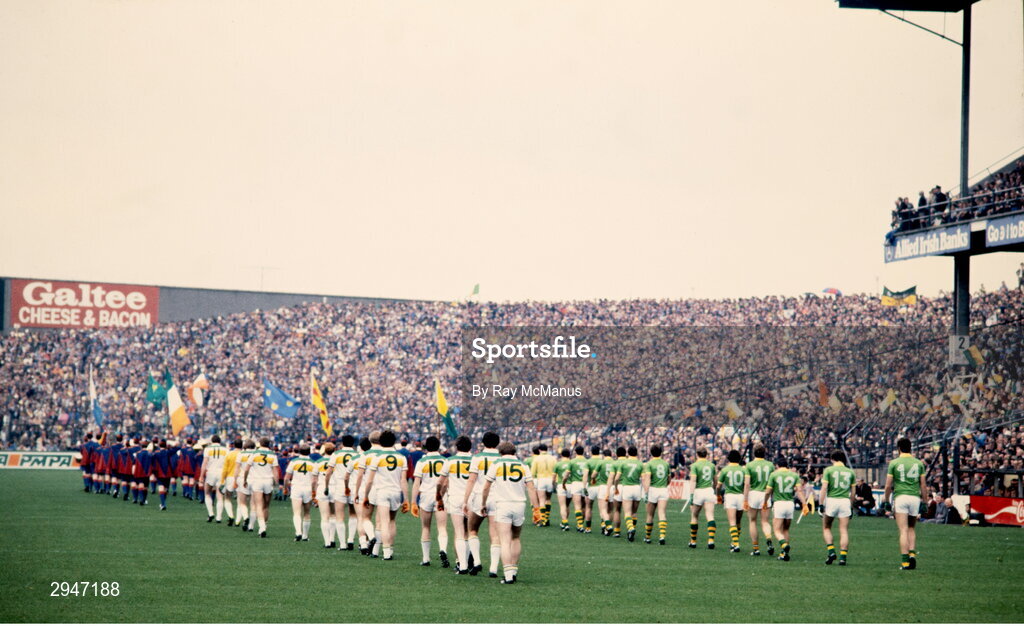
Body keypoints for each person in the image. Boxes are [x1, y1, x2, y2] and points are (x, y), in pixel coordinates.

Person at [480, 441, 541, 585]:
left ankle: (507, 576)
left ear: (500, 452)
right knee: (516, 538)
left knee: (504, 540)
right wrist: (536, 509)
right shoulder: (523, 465)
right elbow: (531, 488)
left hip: (503, 504)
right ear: (515, 452)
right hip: (519, 504)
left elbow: (486, 487)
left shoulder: (496, 465)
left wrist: (483, 504)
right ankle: (513, 571)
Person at [361, 430, 408, 561]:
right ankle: (385, 550)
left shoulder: (377, 458)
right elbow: (403, 480)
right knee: (392, 521)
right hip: (396, 492)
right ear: (394, 442)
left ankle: (386, 552)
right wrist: (406, 500)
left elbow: (369, 480)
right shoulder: (401, 458)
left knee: (383, 522)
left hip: (382, 492)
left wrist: (365, 495)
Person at [883, 437, 927, 570]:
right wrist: (925, 501)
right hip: (914, 498)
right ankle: (912, 554)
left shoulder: (894, 463)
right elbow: (923, 485)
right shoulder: (918, 463)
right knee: (912, 528)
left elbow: (888, 486)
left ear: (898, 448)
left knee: (903, 530)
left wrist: (886, 501)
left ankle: (905, 562)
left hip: (901, 497)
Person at [463, 431, 502, 576]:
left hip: (480, 496)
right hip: (497, 497)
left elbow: (471, 480)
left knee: (472, 529)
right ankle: (493, 568)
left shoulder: (477, 457)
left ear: (483, 443)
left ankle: (477, 562)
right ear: (497, 443)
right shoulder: (501, 458)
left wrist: (465, 500)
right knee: (495, 534)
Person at [410, 436, 449, 567]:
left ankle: (426, 559)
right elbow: (447, 482)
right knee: (442, 527)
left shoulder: (422, 461)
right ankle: (443, 549)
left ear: (426, 447)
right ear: (439, 446)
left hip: (426, 495)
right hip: (441, 496)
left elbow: (416, 483)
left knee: (426, 527)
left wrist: (413, 502)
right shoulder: (445, 461)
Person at [437, 435, 473, 573]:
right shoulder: (476, 460)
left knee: (458, 532)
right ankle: (470, 560)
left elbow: (442, 482)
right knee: (470, 533)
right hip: (471, 498)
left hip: (455, 497)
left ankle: (461, 564)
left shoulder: (450, 461)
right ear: (470, 447)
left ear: (457, 447)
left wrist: (439, 496)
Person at [820, 450, 855, 566]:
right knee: (844, 530)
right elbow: (853, 492)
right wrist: (851, 505)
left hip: (832, 500)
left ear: (832, 459)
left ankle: (831, 551)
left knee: (826, 527)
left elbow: (824, 488)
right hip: (845, 501)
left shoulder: (829, 470)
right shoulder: (850, 472)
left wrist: (820, 504)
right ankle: (843, 558)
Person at [324, 434, 358, 550]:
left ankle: (342, 544)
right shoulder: (357, 455)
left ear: (342, 443)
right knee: (353, 514)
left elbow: (328, 472)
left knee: (339, 516)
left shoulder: (336, 454)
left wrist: (326, 486)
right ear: (353, 444)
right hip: (353, 486)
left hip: (340, 486)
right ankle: (351, 540)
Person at [764, 456, 800, 562]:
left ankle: (784, 545)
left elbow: (768, 491)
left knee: (776, 530)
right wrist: (804, 504)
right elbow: (799, 491)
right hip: (790, 503)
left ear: (777, 465)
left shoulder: (774, 474)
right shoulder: (794, 475)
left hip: (779, 503)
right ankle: (784, 553)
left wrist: (765, 501)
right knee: (786, 529)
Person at [242, 437, 279, 538]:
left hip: (257, 481)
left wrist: (245, 480)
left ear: (260, 443)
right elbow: (276, 470)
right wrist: (276, 483)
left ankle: (261, 527)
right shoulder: (273, 454)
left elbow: (246, 469)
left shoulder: (254, 453)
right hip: (268, 481)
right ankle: (264, 526)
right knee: (266, 506)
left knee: (258, 505)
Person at [743, 445, 774, 556]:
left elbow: (747, 484)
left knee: (752, 521)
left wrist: (745, 500)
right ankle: (769, 538)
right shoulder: (770, 465)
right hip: (766, 494)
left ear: (753, 453)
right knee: (765, 521)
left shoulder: (749, 465)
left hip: (753, 493)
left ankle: (756, 548)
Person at [688, 447, 718, 549]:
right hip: (709, 490)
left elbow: (693, 481)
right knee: (710, 515)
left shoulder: (694, 465)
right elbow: (715, 481)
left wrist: (691, 495)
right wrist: (713, 489)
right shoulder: (712, 465)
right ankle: (711, 540)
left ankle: (693, 541)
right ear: (707, 455)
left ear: (697, 454)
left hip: (698, 491)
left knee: (694, 515)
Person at [284, 445, 315, 541]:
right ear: (309, 452)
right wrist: (314, 491)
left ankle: (298, 532)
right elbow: (314, 480)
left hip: (296, 487)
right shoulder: (314, 463)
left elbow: (286, 478)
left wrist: (286, 487)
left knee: (297, 512)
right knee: (307, 512)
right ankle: (305, 536)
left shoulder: (294, 462)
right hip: (308, 488)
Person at [613, 446, 644, 542]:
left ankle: (630, 528)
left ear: (628, 453)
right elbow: (643, 478)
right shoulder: (640, 464)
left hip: (627, 488)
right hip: (637, 488)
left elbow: (617, 478)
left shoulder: (624, 463)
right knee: (634, 512)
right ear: (637, 453)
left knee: (627, 512)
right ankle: (631, 532)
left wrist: (616, 487)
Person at [641, 445, 670, 545]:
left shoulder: (649, 464)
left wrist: (646, 492)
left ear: (650, 452)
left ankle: (648, 537)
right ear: (661, 452)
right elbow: (669, 479)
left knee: (650, 514)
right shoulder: (666, 464)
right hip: (663, 489)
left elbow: (647, 478)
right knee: (662, 513)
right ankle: (662, 536)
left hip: (653, 489)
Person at [718, 449, 746, 552]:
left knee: (732, 522)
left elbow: (719, 485)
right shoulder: (743, 470)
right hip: (740, 496)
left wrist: (718, 494)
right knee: (738, 521)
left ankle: (736, 544)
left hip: (730, 496)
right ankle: (734, 542)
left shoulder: (725, 470)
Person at [199, 435, 228, 523]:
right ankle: (219, 517)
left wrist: (201, 476)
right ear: (220, 441)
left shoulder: (207, 449)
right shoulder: (225, 450)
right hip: (221, 473)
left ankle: (211, 513)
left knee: (207, 493)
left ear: (212, 441)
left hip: (211, 472)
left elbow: (204, 463)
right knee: (220, 496)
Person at [312, 443, 335, 548]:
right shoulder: (336, 461)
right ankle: (332, 539)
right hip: (335, 487)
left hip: (322, 488)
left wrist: (313, 492)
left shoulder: (318, 462)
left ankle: (327, 542)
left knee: (324, 517)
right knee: (333, 515)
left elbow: (314, 480)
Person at [565, 445, 590, 532]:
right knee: (584, 506)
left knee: (577, 506)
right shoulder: (587, 461)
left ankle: (579, 525)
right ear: (583, 452)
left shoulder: (572, 462)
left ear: (575, 452)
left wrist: (564, 482)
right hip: (585, 483)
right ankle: (582, 523)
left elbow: (567, 474)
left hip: (575, 484)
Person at [530, 444, 556, 526]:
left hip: (541, 479)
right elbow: (555, 470)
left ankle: (542, 520)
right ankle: (546, 519)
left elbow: (533, 473)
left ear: (539, 450)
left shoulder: (537, 458)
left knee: (541, 500)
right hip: (550, 479)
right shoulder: (553, 458)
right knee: (548, 499)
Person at [233, 440, 256, 530]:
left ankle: (245, 517)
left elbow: (237, 469)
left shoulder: (241, 454)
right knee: (253, 504)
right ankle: (251, 526)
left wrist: (235, 480)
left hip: (243, 478)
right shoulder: (256, 454)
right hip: (254, 479)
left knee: (242, 502)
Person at [218, 439, 241, 525]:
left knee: (227, 498)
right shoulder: (244, 454)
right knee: (240, 500)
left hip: (230, 477)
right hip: (241, 478)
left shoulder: (229, 454)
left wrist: (222, 480)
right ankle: (238, 520)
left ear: (234, 445)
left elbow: (224, 469)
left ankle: (231, 516)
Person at [553, 449, 571, 531]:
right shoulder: (571, 463)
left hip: (561, 485)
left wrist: (553, 485)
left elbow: (553, 477)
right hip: (571, 485)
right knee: (567, 505)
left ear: (561, 455)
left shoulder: (558, 464)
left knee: (562, 505)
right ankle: (565, 521)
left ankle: (565, 522)